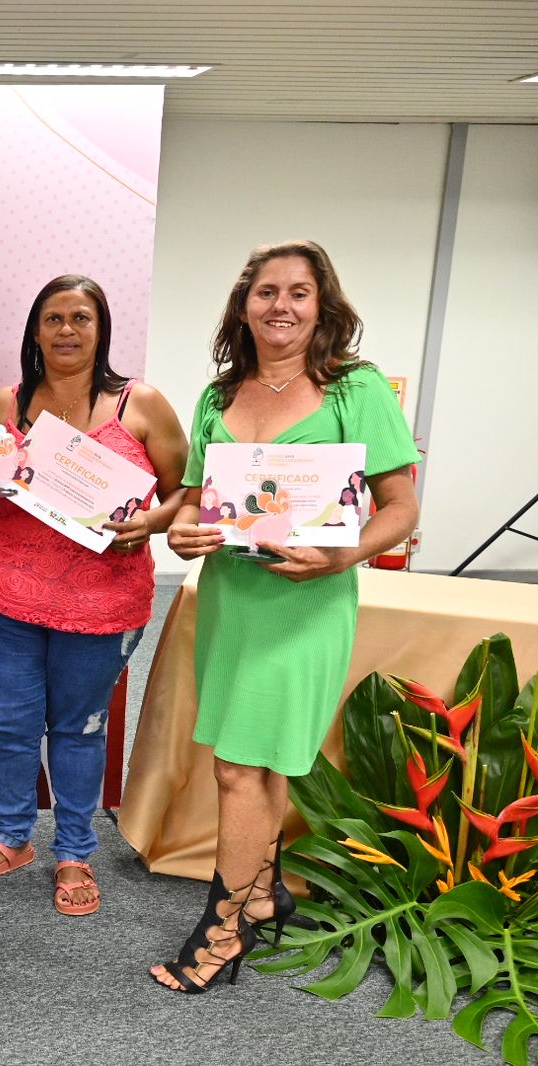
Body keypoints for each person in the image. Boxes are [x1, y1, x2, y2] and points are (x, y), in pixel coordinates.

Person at [153, 241, 418, 991]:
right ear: (244, 307)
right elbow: (195, 502)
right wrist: (182, 533)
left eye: (299, 292)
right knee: (256, 757)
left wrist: (342, 555)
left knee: (239, 765)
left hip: (306, 604)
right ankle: (265, 893)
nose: (282, 305)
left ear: (321, 304)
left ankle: (222, 932)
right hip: (232, 599)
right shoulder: (218, 396)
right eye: (266, 292)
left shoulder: (355, 388)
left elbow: (401, 507)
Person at [0, 275, 188, 916]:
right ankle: (11, 837)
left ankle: (75, 851)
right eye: (53, 318)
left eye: (81, 317)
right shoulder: (4, 404)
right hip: (8, 598)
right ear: (35, 331)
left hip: (103, 603)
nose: (67, 330)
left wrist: (150, 522)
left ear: (102, 329)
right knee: (9, 725)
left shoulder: (141, 405)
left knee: (80, 729)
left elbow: (185, 492)